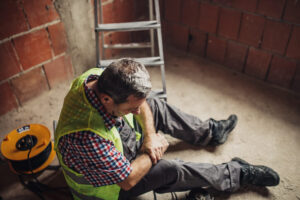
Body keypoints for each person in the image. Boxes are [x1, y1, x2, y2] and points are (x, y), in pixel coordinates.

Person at [54, 58, 280, 200]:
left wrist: (150, 136)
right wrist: (152, 151)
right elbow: (128, 179)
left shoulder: (99, 77)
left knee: (154, 106)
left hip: (114, 144)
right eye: (131, 107)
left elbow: (141, 105)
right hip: (110, 189)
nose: (136, 110)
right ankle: (237, 173)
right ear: (106, 99)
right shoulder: (84, 138)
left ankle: (209, 132)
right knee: (169, 168)